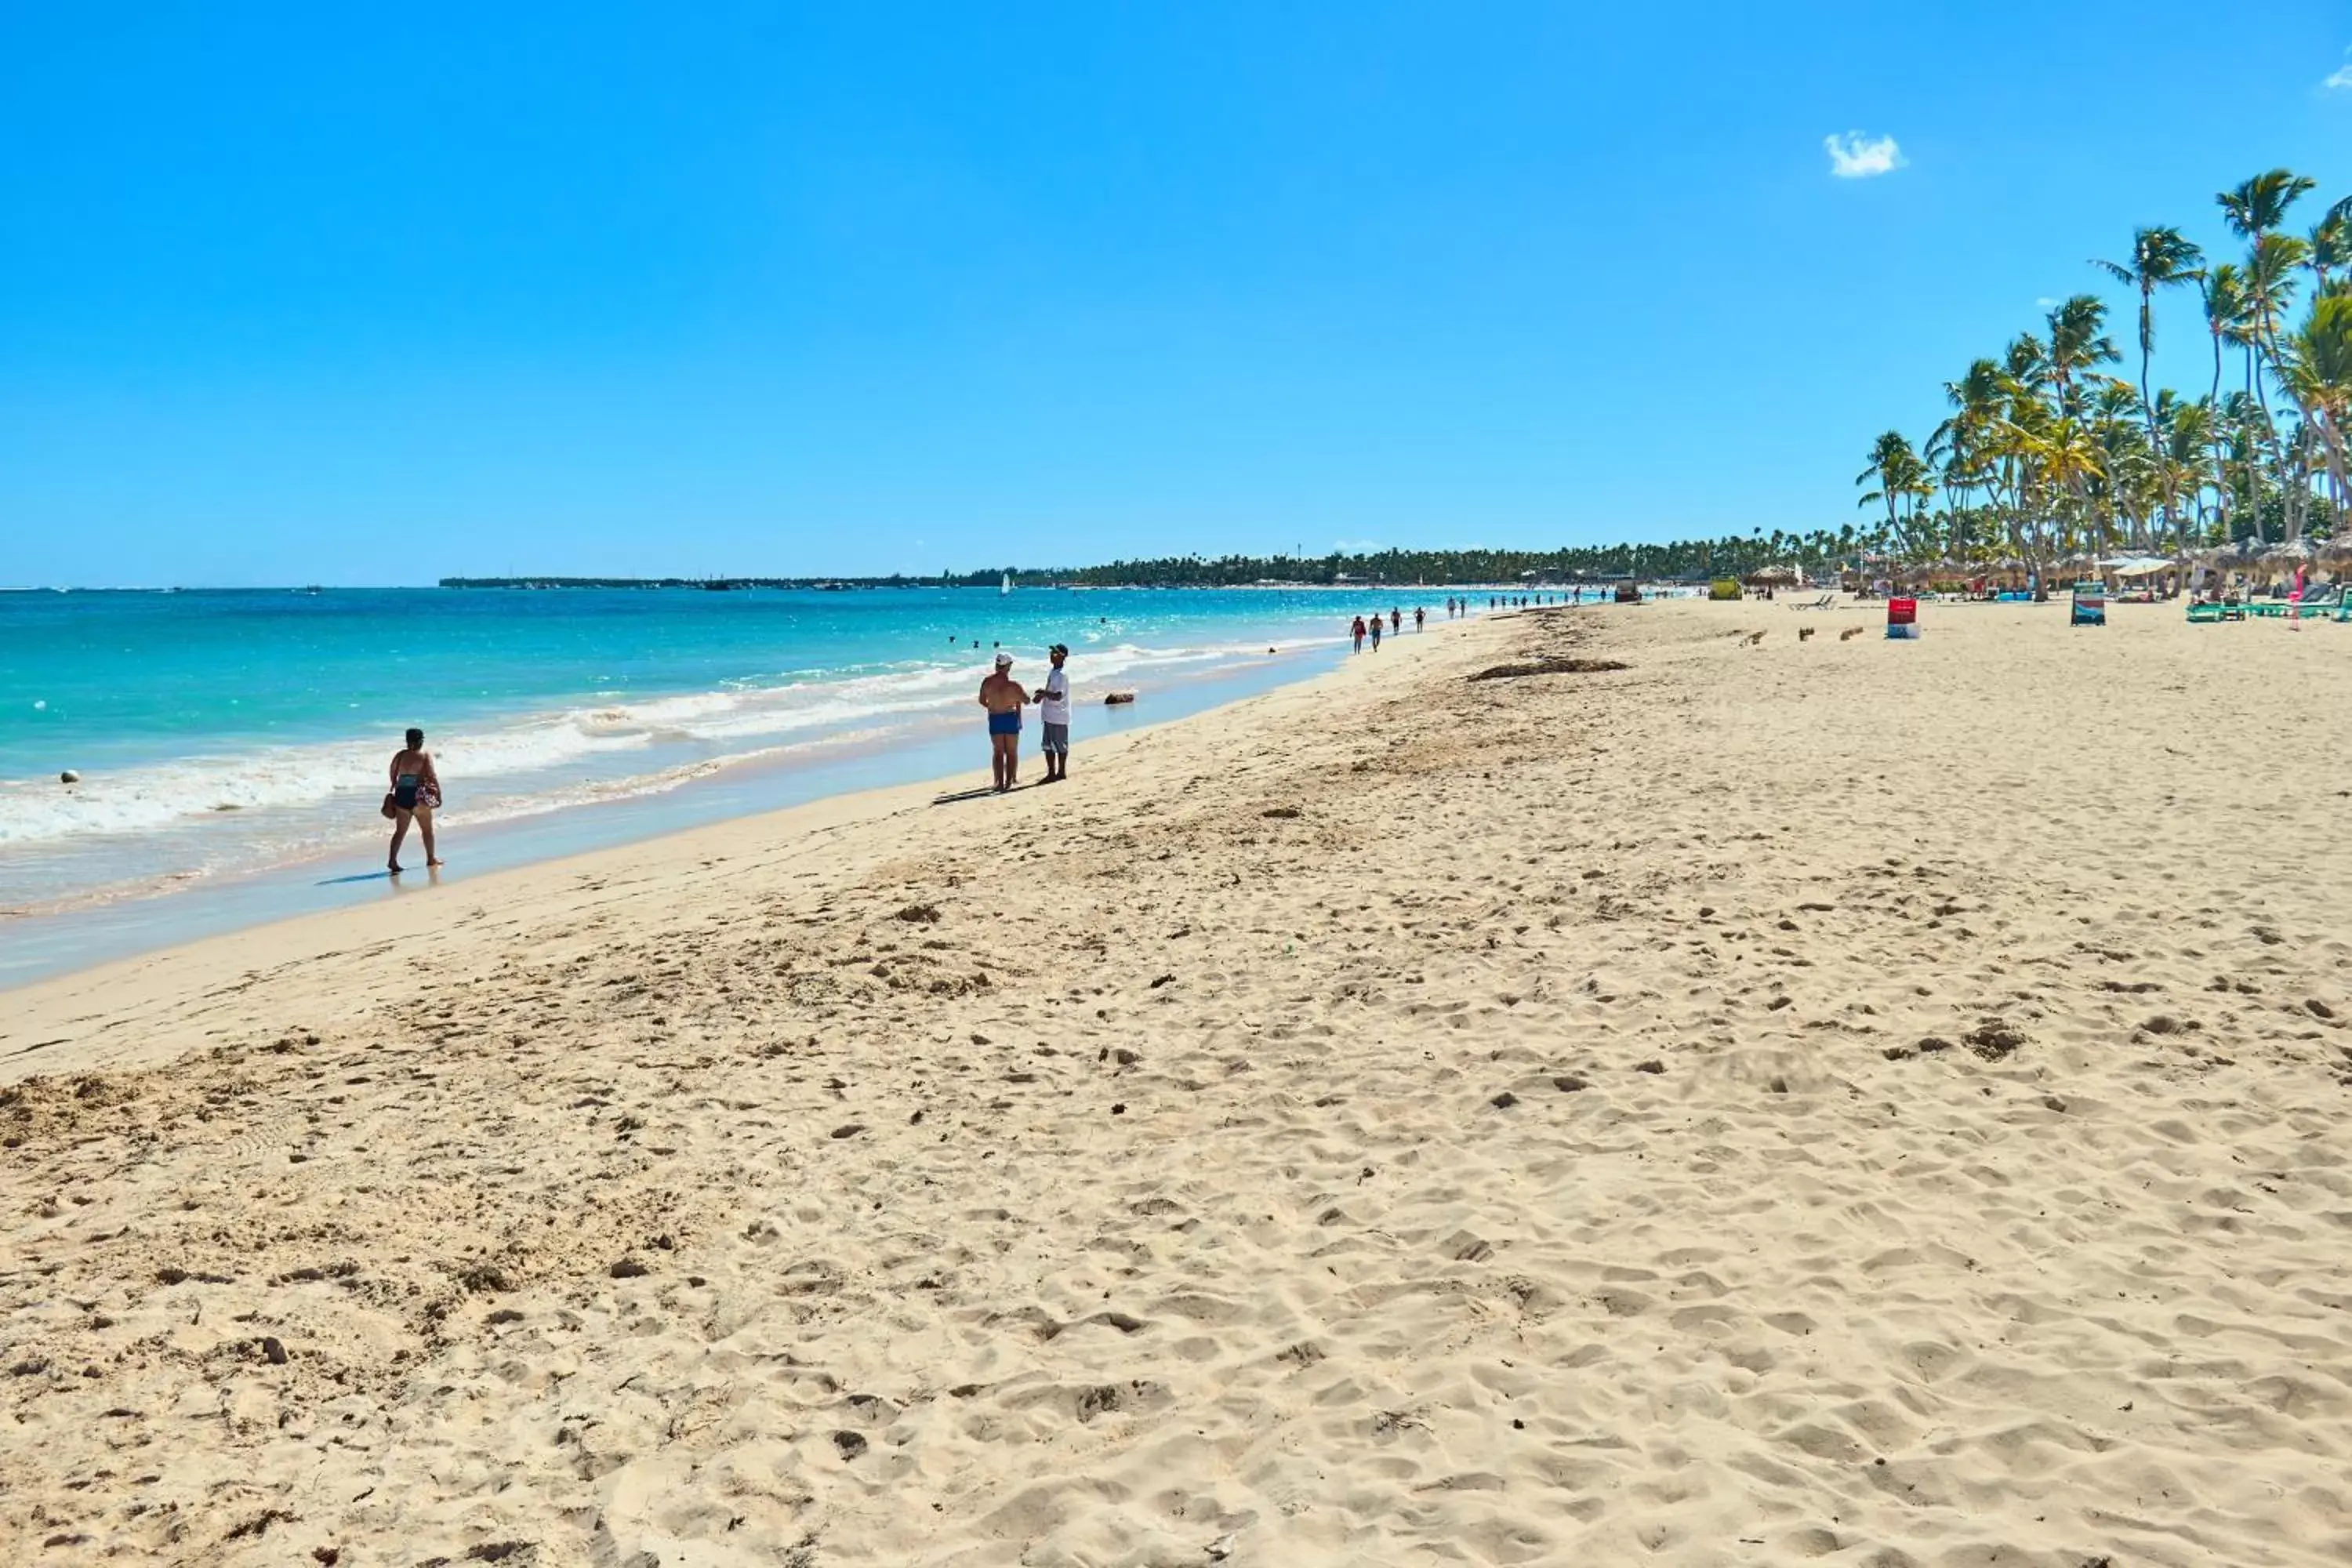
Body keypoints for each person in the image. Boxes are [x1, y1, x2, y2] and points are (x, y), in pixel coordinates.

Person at [387, 728, 442, 873]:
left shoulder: (399, 756)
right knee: (427, 830)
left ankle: (392, 860)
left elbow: (392, 772)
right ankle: (430, 858)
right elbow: (432, 776)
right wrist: (438, 794)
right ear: (421, 740)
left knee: (400, 832)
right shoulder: (424, 756)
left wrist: (397, 784)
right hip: (419, 795)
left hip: (401, 794)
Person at [978, 652, 1029, 791]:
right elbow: (1027, 700)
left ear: (996, 665)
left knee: (998, 752)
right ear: (1009, 666)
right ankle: (1009, 782)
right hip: (1010, 717)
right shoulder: (1014, 686)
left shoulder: (987, 682)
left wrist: (994, 706)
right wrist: (1013, 699)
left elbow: (982, 701)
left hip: (995, 718)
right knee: (1012, 751)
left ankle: (999, 783)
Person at [1035, 643, 1072, 782]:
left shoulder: (1062, 675)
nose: (1052, 655)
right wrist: (1041, 696)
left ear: (1062, 657)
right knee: (1048, 746)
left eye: (1055, 653)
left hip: (1059, 715)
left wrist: (1043, 693)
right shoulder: (1053, 671)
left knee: (1060, 746)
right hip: (1049, 714)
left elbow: (1058, 696)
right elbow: (1051, 691)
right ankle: (1051, 773)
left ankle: (1061, 772)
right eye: (1051, 653)